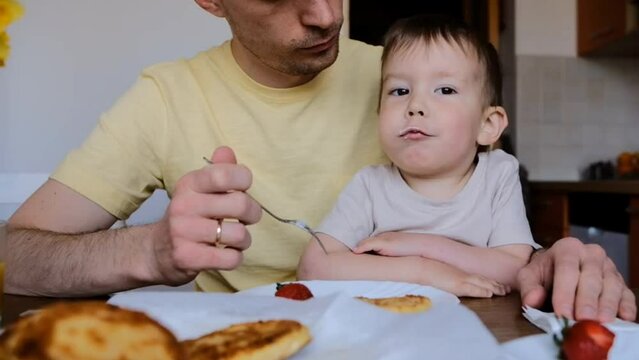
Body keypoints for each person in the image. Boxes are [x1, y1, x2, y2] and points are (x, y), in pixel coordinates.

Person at [5, 0, 635, 322]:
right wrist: (148, 252)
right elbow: (13, 257)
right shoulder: (166, 99)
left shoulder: (405, 70)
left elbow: (500, 247)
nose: (326, 13)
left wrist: (557, 259)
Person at [298, 14, 537, 298]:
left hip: (479, 325)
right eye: (400, 90)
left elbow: (515, 270)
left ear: (487, 125)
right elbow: (312, 268)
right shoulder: (370, 186)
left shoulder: (499, 175)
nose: (415, 105)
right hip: (389, 324)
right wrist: (423, 272)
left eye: (445, 89)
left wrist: (420, 245)